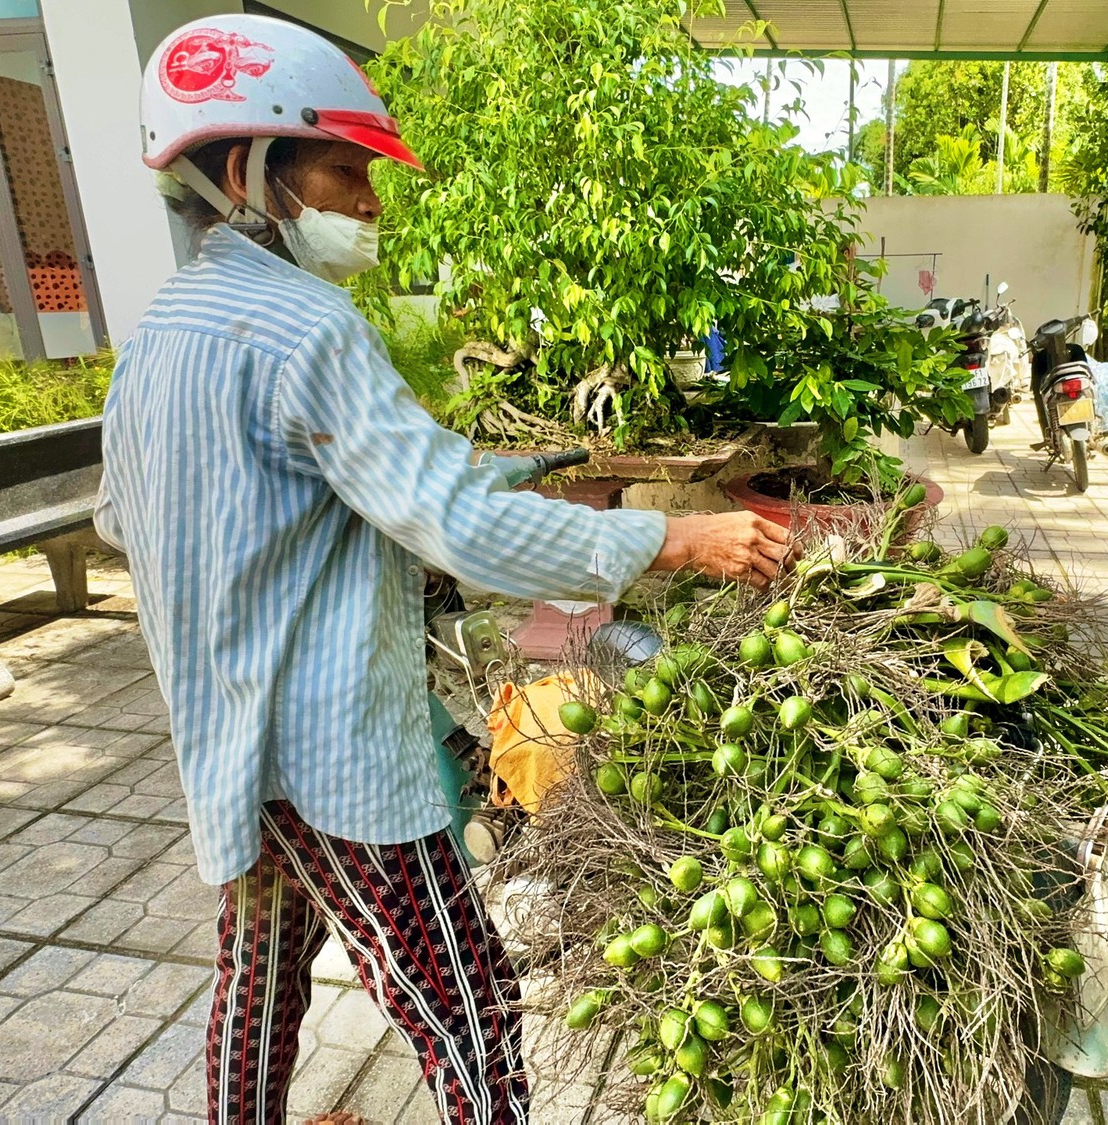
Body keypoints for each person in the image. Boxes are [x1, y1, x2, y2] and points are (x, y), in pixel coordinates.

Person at [95, 16, 789, 1124]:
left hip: (227, 739)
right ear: (245, 170)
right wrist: (670, 538)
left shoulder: (164, 331)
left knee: (259, 977)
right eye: (343, 169)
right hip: (332, 758)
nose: (368, 201)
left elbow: (130, 519)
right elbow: (450, 524)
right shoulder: (305, 328)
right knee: (465, 1005)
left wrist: (490, 482)